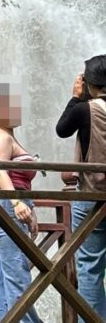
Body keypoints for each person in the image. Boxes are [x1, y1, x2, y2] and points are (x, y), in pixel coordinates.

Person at [0, 83, 43, 323]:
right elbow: (1, 172)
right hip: (7, 207)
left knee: (3, 279)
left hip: (1, 208)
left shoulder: (4, 136)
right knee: (17, 276)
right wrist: (18, 204)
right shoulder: (2, 137)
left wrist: (30, 209)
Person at [56, 54, 106, 323]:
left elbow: (62, 129)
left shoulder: (84, 109)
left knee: (89, 267)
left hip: (90, 196)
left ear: (89, 83)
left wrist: (76, 97)